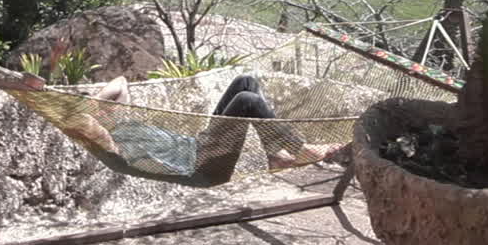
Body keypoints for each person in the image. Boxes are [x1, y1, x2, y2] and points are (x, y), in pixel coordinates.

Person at [39, 70, 346, 180]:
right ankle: (299, 149)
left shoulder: (121, 119)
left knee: (246, 81)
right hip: (201, 164)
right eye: (98, 113)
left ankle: (275, 156)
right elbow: (79, 122)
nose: (106, 110)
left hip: (201, 144)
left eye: (102, 110)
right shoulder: (108, 140)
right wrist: (80, 110)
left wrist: (93, 101)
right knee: (248, 101)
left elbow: (119, 83)